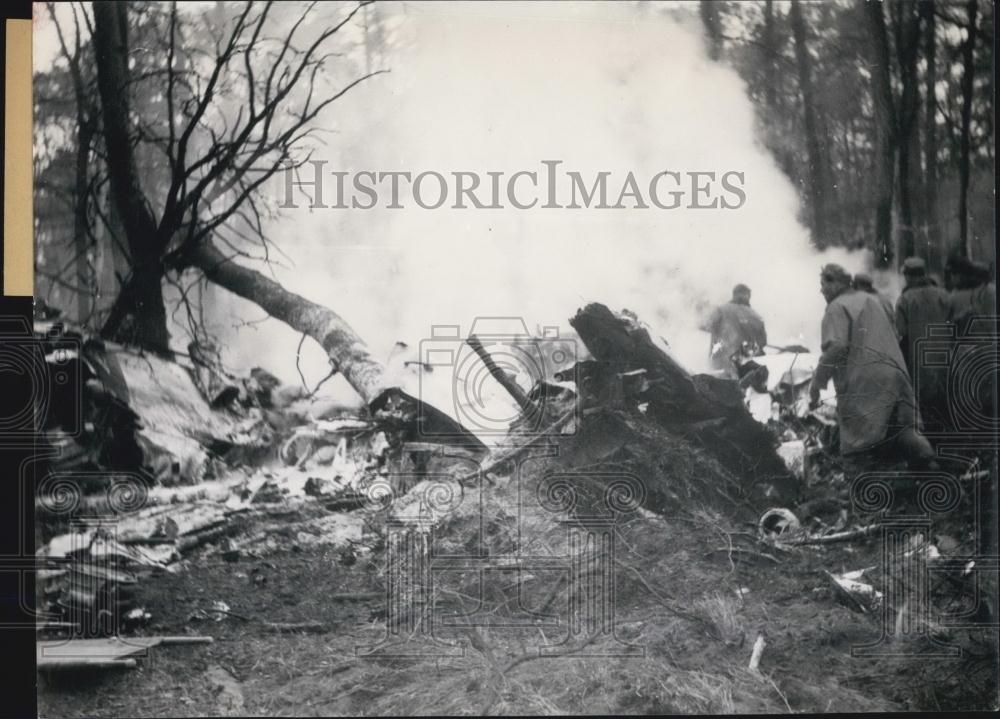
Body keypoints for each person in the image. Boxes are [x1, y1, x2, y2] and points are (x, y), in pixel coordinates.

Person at [809, 264, 935, 469]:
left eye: (823, 284)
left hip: (865, 380)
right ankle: (930, 465)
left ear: (834, 283)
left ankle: (863, 487)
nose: (821, 290)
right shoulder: (871, 300)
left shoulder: (836, 307)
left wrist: (817, 382)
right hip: (895, 372)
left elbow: (837, 347)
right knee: (902, 427)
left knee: (860, 444)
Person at [894, 257, 952, 432]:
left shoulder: (905, 299)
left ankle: (928, 441)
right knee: (944, 400)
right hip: (944, 357)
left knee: (922, 404)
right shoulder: (943, 295)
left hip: (918, 360)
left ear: (908, 276)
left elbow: (901, 332)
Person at [703, 283, 767, 379]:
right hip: (748, 369)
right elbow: (763, 342)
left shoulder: (721, 310)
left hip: (721, 365)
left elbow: (707, 325)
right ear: (748, 296)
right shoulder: (756, 317)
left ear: (734, 294)